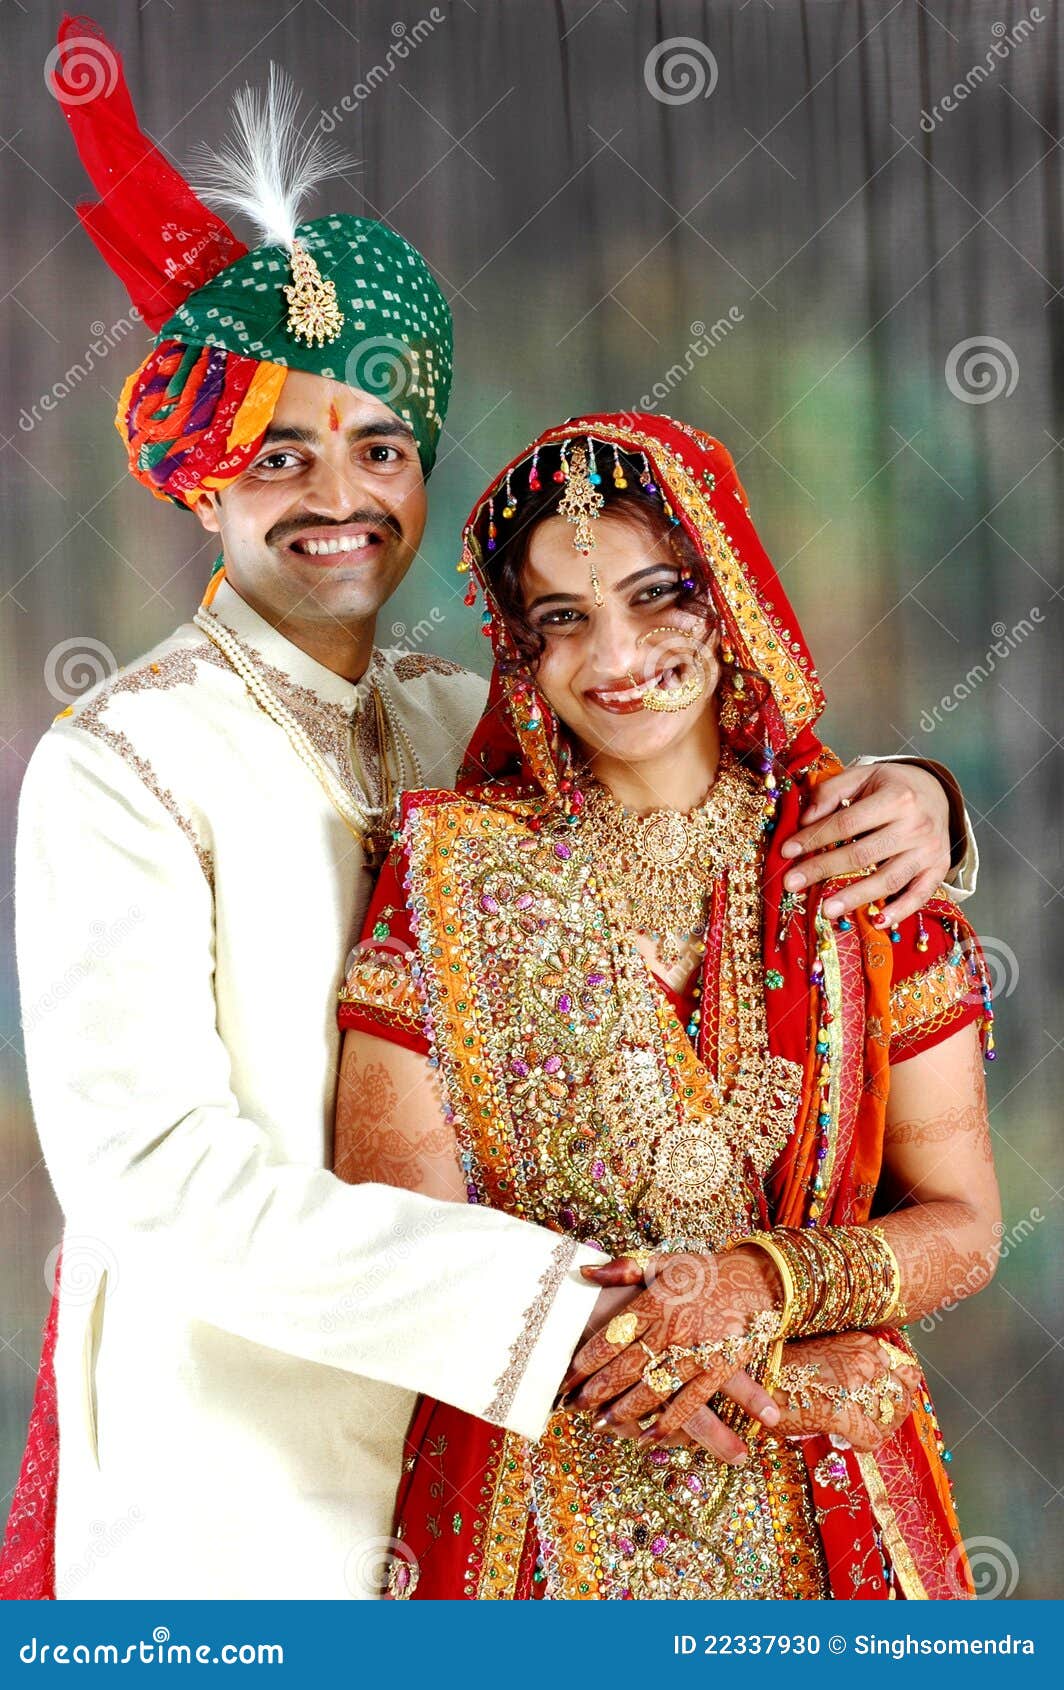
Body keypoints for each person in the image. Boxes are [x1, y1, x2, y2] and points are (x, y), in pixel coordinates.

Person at [1, 20, 979, 1601]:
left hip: (522, 1477)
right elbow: (158, 1176)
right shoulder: (124, 760)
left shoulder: (464, 715)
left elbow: (711, 760)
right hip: (251, 1476)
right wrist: (567, 1312)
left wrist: (923, 803)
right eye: (281, 452)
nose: (341, 495)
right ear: (199, 477)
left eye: (381, 446)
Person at [333, 415, 999, 1600]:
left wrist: (760, 1285)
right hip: (532, 1509)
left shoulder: (867, 865)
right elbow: (398, 1232)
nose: (616, 654)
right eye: (562, 619)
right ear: (519, 650)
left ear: (728, 594)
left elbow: (959, 1222)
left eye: (656, 597)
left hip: (827, 1502)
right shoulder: (449, 877)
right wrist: (667, 1349)